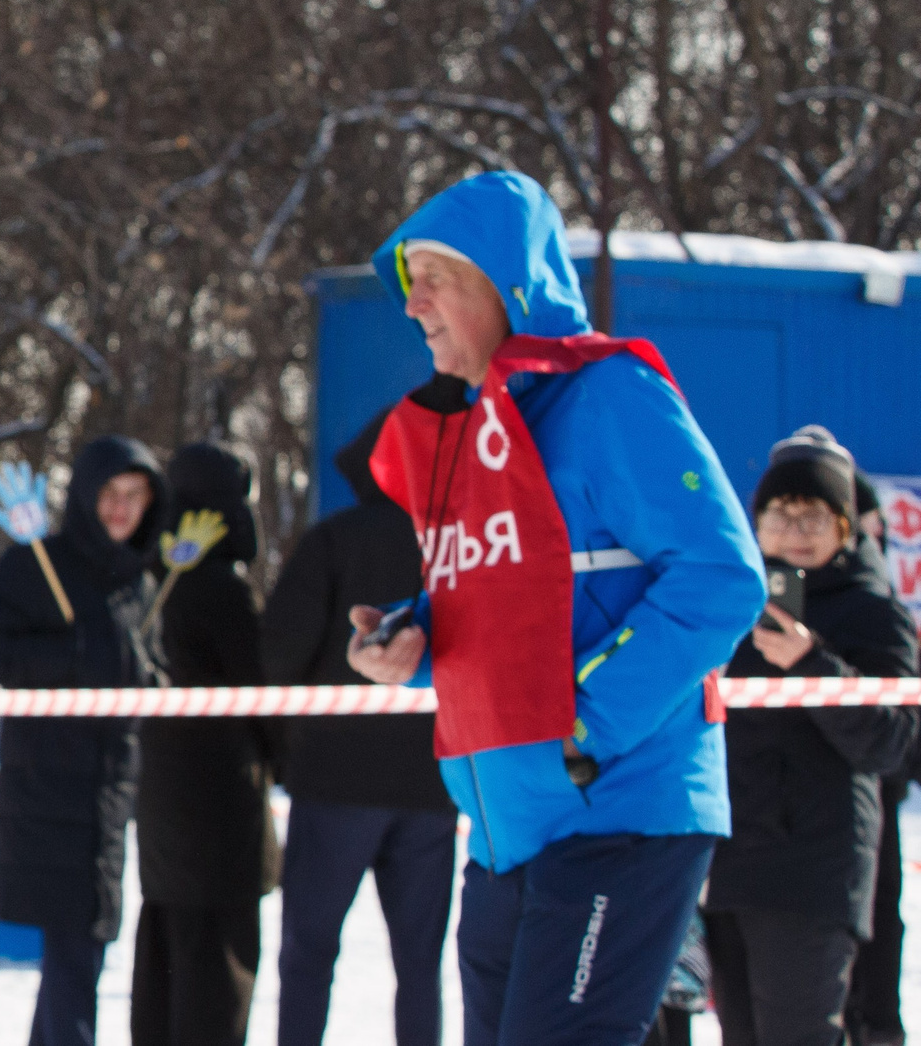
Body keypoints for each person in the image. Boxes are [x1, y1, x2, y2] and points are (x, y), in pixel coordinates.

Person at [346, 171, 766, 1046]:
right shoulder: (475, 427)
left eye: (437, 277)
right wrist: (414, 634)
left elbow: (723, 576)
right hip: (506, 825)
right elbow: (508, 596)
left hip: (617, 812)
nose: (413, 304)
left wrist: (587, 724)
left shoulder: (611, 396)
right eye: (408, 279)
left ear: (510, 285)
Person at [704, 426, 919, 1046]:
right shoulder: (730, 604)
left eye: (814, 517)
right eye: (780, 514)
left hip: (815, 871)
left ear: (845, 528)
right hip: (731, 861)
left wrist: (812, 663)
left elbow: (892, 742)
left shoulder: (872, 611)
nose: (794, 531)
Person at [0, 437, 165, 1046]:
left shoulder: (141, 583)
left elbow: (144, 666)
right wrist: (69, 655)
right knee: (74, 949)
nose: (123, 509)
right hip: (48, 784)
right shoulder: (37, 563)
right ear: (85, 497)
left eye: (136, 496)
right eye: (110, 494)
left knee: (87, 948)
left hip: (111, 786)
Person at [263, 409, 458, 1046]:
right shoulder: (459, 548)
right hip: (433, 783)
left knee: (309, 954)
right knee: (420, 966)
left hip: (335, 781)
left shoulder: (333, 539)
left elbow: (279, 652)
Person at [131, 439, 279, 1046]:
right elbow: (264, 697)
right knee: (217, 964)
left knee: (165, 950)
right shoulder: (223, 591)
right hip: (221, 804)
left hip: (161, 795)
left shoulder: (148, 580)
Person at [848, 470, 911, 1046]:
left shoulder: (878, 603)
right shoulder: (764, 594)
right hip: (781, 806)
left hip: (878, 788)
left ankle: (882, 1024)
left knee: (879, 920)